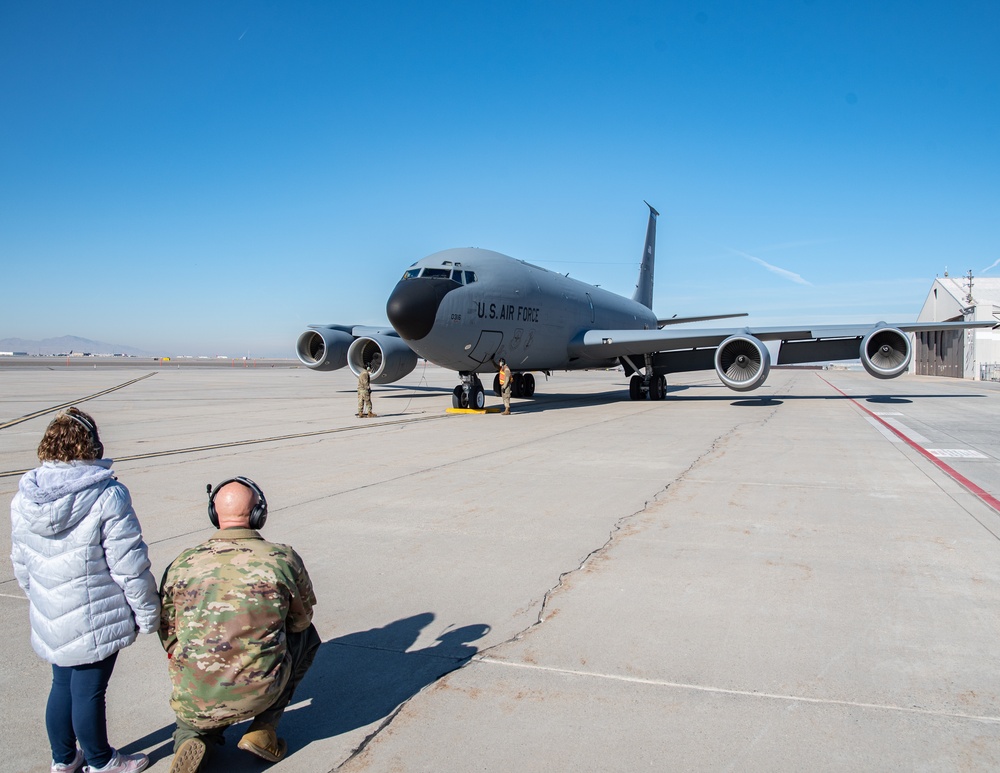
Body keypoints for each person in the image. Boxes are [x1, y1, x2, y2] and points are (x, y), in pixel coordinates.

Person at [10, 407, 159, 773]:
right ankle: (101, 761)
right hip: (95, 614)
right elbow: (128, 564)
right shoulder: (107, 494)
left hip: (51, 611)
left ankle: (63, 760)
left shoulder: (25, 497)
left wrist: (39, 599)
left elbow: (20, 561)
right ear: (90, 445)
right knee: (89, 691)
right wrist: (148, 613)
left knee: (62, 684)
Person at [159, 477, 320, 773]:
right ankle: (264, 728)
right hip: (261, 689)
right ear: (259, 514)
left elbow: (167, 630)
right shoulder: (282, 558)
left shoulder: (182, 562)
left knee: (190, 661)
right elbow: (302, 620)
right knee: (308, 637)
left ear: (214, 514)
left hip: (196, 694)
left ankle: (190, 737)